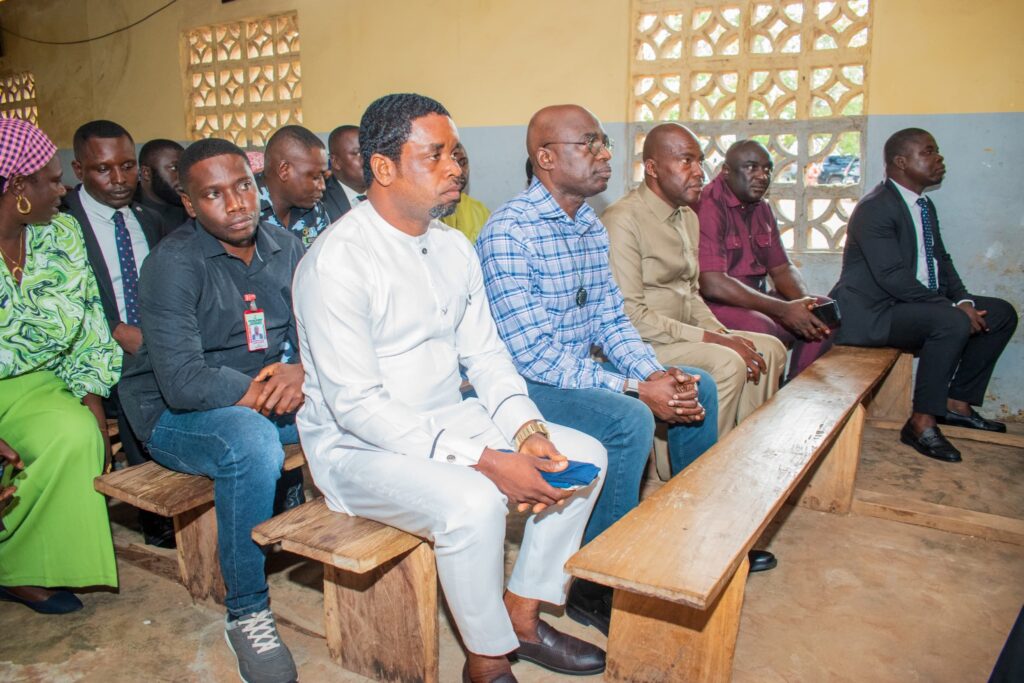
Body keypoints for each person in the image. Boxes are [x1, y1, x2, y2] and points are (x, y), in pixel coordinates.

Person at [294, 93, 608, 683]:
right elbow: (357, 406)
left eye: (455, 154)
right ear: (383, 168)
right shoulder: (337, 261)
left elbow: (487, 357)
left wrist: (528, 431)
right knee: (473, 501)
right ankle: (486, 660)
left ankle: (522, 614)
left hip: (447, 418)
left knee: (583, 456)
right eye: (434, 155)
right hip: (355, 447)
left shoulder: (453, 247)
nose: (456, 168)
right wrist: (489, 461)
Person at [477, 105, 719, 635]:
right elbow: (533, 356)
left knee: (694, 385)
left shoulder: (587, 225)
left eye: (603, 142)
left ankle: (690, 535)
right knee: (628, 419)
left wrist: (657, 375)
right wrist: (634, 387)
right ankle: (592, 583)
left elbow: (611, 321)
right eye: (588, 144)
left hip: (570, 372)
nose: (605, 154)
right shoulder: (509, 233)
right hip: (521, 387)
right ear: (545, 158)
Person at [119, 138, 305, 682]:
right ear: (190, 203)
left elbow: (316, 338)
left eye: (243, 186)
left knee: (355, 405)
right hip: (177, 417)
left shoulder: (286, 247)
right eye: (215, 194)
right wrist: (267, 395)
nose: (237, 203)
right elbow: (181, 381)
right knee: (250, 442)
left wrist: (302, 372)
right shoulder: (171, 265)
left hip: (268, 395)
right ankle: (247, 610)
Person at [830, 128, 1017, 462]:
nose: (939, 159)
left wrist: (963, 301)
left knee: (1001, 314)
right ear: (901, 162)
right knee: (949, 321)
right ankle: (921, 422)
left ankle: (956, 403)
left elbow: (940, 260)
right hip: (874, 313)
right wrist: (951, 309)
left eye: (937, 151)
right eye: (928, 152)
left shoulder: (923, 205)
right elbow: (891, 278)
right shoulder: (876, 207)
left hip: (911, 305)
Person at [0, 118, 121, 614]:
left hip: (40, 383)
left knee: (75, 436)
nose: (62, 188)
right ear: (17, 187)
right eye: (50, 180)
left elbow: (89, 319)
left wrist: (92, 402)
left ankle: (19, 566)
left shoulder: (62, 235)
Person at [604, 122, 787, 440]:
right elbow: (630, 318)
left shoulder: (687, 217)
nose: (700, 172)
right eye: (686, 160)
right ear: (653, 168)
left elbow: (690, 294)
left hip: (682, 337)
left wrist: (722, 332)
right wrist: (713, 341)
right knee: (728, 362)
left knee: (767, 350)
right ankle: (699, 470)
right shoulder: (623, 220)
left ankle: (743, 448)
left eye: (700, 161)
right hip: (643, 345)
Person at [64, 119, 173, 547]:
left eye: (127, 166)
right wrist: (112, 328)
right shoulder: (58, 224)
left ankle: (167, 513)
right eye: (103, 169)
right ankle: (154, 517)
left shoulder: (151, 219)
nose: (118, 179)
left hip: (151, 347)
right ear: (78, 170)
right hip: (93, 351)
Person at [697, 140, 833, 381]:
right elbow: (713, 284)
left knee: (824, 313)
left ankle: (796, 391)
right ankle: (768, 404)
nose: (762, 176)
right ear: (725, 171)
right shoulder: (709, 204)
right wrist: (783, 310)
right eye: (751, 168)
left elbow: (781, 268)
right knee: (762, 328)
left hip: (757, 300)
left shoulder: (762, 208)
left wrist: (803, 304)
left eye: (767, 169)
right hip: (714, 306)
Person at [256, 124, 330, 248]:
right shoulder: (245, 210)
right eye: (315, 177)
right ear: (284, 170)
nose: (322, 186)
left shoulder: (314, 210)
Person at [440, 142, 491, 242]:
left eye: (463, 163)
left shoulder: (480, 210)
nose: (459, 170)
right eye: (452, 163)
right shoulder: (428, 210)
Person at [136, 138, 188, 231]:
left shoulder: (192, 209)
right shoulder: (128, 213)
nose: (183, 175)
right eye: (174, 168)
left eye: (184, 168)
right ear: (146, 173)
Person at [322, 124, 367, 222]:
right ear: (336, 162)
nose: (367, 158)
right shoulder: (320, 199)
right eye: (358, 153)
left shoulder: (387, 192)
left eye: (369, 151)